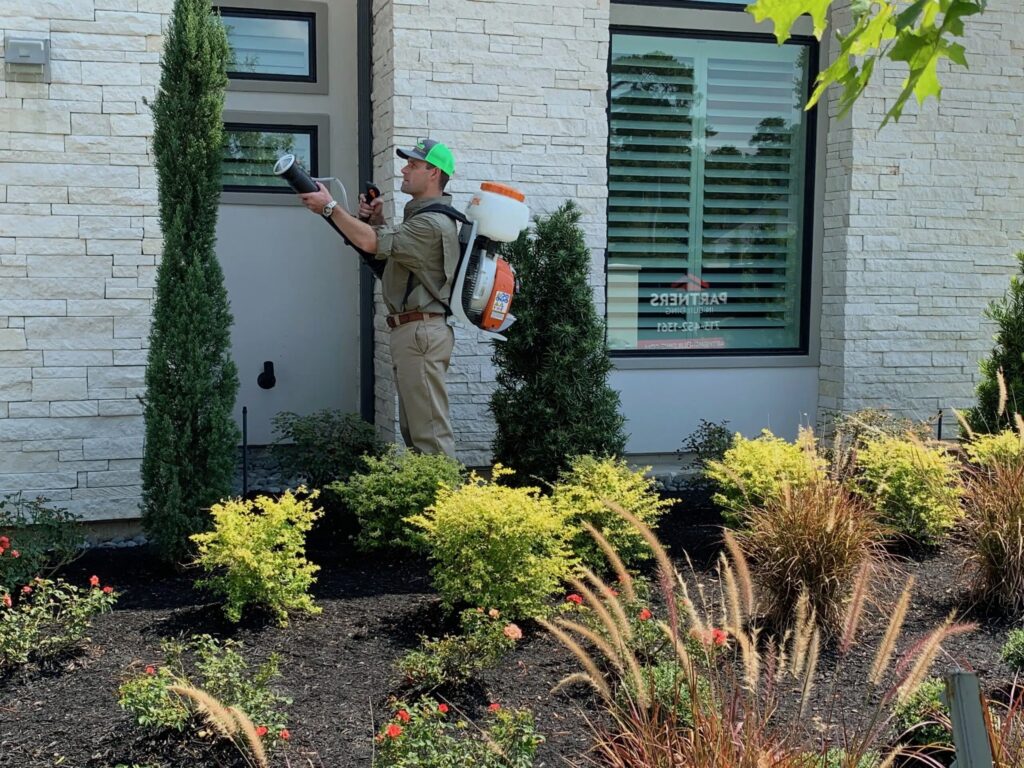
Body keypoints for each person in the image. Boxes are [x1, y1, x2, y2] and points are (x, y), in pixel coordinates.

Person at [297, 138, 460, 458]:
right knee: (416, 434)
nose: (405, 168)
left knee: (430, 438)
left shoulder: (431, 223)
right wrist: (375, 222)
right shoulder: (421, 221)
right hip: (415, 332)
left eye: (413, 164)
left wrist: (330, 208)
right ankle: (428, 503)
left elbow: (373, 243)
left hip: (421, 334)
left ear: (434, 173)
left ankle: (448, 506)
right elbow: (389, 263)